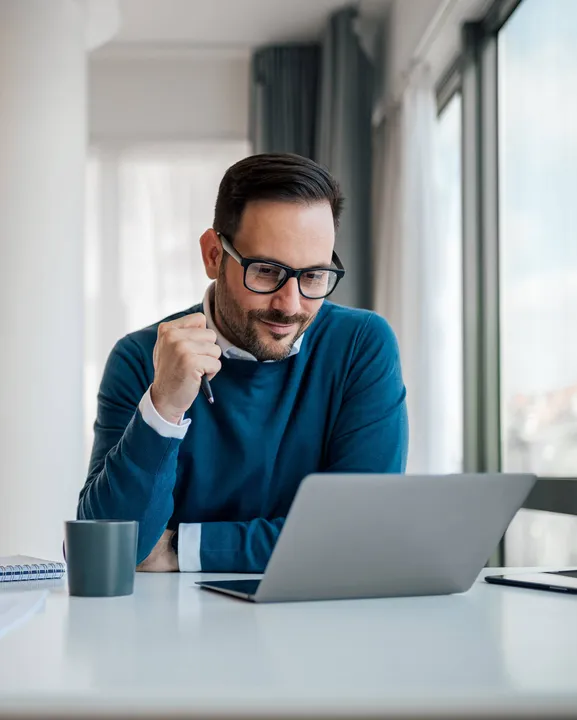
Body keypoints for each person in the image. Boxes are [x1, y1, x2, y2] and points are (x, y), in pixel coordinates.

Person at [78, 153, 408, 573]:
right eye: (267, 271)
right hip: (169, 633)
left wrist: (183, 548)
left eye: (314, 276)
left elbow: (361, 535)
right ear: (214, 255)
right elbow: (103, 550)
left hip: (319, 627)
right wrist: (163, 408)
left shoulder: (361, 345)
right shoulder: (141, 358)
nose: (290, 305)